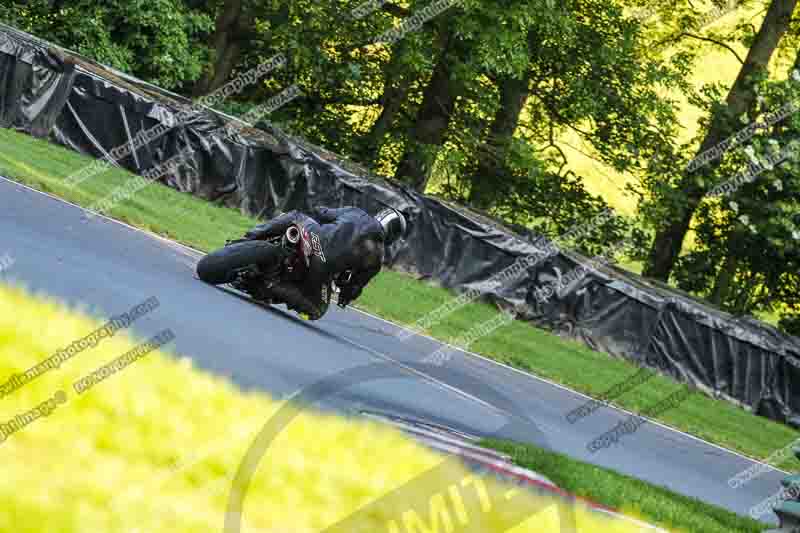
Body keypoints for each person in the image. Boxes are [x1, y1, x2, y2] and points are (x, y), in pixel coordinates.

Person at [241, 205, 407, 320]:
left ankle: (250, 236)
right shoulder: (377, 257)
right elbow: (353, 286)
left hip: (313, 238)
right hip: (323, 270)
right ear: (393, 235)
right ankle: (272, 285)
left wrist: (321, 219)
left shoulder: (356, 212)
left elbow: (322, 212)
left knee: (295, 216)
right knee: (317, 311)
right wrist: (344, 298)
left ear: (380, 215)